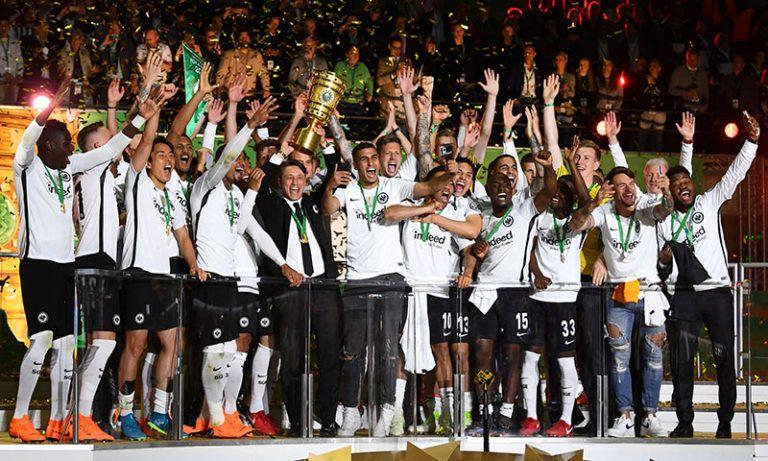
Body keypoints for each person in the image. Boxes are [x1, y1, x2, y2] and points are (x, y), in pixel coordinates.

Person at [8, 79, 160, 443]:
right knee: (42, 339)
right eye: (64, 144)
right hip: (38, 264)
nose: (69, 149)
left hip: (64, 266)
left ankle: (59, 420)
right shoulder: (27, 166)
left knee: (63, 345)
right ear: (48, 144)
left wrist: (138, 118)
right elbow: (28, 141)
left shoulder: (67, 168)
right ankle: (19, 418)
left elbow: (108, 153)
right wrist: (46, 112)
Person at [322, 142, 455, 436]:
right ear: (356, 165)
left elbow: (430, 185)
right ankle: (350, 412)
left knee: (388, 351)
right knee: (352, 351)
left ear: (379, 162)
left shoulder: (396, 186)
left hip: (392, 279)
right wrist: (330, 185)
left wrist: (448, 170)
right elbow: (327, 208)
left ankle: (386, 410)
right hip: (357, 280)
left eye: (373, 158)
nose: (369, 163)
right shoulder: (349, 191)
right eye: (363, 160)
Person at [188, 97, 292, 438]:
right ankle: (217, 418)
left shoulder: (235, 196)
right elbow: (227, 158)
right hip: (209, 280)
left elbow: (250, 229)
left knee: (230, 352)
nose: (243, 165)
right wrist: (249, 126)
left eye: (247, 162)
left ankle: (225, 414)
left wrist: (283, 263)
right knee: (214, 352)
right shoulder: (205, 186)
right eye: (239, 162)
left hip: (230, 281)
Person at [660, 111, 760, 439]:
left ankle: (725, 421)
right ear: (671, 193)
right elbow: (661, 263)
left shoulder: (710, 201)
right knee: (682, 361)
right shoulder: (665, 221)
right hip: (685, 296)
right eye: (675, 185)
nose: (682, 187)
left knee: (723, 359)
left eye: (685, 181)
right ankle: (685, 422)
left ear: (692, 184)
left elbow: (734, 174)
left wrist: (751, 141)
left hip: (717, 293)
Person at [116, 91, 202, 440]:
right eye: (161, 155)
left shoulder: (172, 194)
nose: (168, 158)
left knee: (172, 343)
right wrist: (153, 107)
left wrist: (195, 266)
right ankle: (124, 413)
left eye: (171, 154)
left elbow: (182, 236)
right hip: (138, 274)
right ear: (147, 162)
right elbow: (149, 138)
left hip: (166, 278)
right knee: (135, 346)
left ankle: (158, 412)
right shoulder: (137, 184)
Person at [569, 165, 674, 438]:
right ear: (611, 189)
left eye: (630, 183)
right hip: (618, 296)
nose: (627, 189)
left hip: (650, 293)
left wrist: (665, 192)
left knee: (653, 359)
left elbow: (666, 210)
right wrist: (594, 202)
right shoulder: (604, 212)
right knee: (619, 360)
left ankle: (649, 416)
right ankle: (625, 417)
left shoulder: (645, 208)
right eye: (620, 185)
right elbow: (575, 224)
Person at [459, 150, 557, 436]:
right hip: (485, 292)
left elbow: (550, 189)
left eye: (506, 185)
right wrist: (476, 254)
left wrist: (548, 167)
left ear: (513, 189)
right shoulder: (481, 217)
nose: (501, 190)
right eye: (495, 186)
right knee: (482, 353)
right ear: (487, 190)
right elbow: (474, 254)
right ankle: (486, 412)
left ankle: (506, 413)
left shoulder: (524, 209)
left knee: (513, 354)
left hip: (515, 293)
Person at [384, 166, 475, 435]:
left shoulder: (453, 215)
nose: (448, 190)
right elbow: (390, 213)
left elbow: (469, 246)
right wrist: (423, 211)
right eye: (443, 184)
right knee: (400, 352)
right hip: (409, 289)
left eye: (451, 187)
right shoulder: (410, 207)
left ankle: (448, 412)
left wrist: (468, 271)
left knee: (442, 352)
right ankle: (396, 412)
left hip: (439, 292)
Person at [257, 157, 342, 437]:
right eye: (288, 178)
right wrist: (279, 153)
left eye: (299, 177)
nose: (294, 183)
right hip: (291, 289)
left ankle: (327, 418)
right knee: (292, 358)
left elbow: (335, 170)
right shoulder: (272, 206)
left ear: (307, 181)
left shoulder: (313, 204)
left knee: (330, 354)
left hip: (323, 287)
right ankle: (296, 420)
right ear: (280, 182)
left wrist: (323, 136)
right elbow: (260, 183)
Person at [521, 145, 592, 437]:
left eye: (562, 195)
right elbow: (532, 249)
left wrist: (573, 166)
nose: (555, 198)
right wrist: (536, 272)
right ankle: (530, 417)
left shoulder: (578, 223)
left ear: (569, 199)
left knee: (564, 359)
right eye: (554, 195)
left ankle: (565, 419)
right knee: (530, 357)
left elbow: (588, 200)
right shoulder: (541, 218)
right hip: (537, 297)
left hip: (565, 298)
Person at [215, 29, 270, 99]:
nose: (244, 39)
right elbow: (221, 73)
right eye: (242, 37)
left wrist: (266, 88)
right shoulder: (229, 54)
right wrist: (219, 87)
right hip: (230, 93)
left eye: (246, 37)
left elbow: (263, 73)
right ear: (237, 39)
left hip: (249, 94)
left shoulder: (256, 55)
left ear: (250, 39)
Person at [333, 46, 373, 115]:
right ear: (347, 54)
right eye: (352, 53)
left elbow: (369, 82)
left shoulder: (362, 67)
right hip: (343, 103)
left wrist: (369, 93)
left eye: (357, 53)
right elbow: (334, 82)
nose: (355, 55)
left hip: (359, 103)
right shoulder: (340, 66)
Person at [668, 47, 709, 113]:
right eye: (690, 59)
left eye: (694, 60)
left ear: (698, 60)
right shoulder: (678, 71)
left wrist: (704, 106)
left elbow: (706, 94)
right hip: (683, 107)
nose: (692, 62)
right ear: (687, 58)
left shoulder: (702, 74)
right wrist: (686, 92)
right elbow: (671, 90)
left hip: (698, 108)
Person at [0, 18, 23, 103]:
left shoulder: (15, 42)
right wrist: (3, 73)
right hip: (1, 79)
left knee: (12, 102)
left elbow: (19, 59)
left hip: (13, 79)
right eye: (1, 26)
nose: (3, 28)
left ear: (9, 27)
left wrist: (19, 74)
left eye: (5, 26)